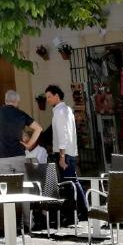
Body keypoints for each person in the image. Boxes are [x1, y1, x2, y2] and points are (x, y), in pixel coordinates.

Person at [45, 84, 87, 216]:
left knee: (70, 183)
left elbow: (63, 135)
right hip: (69, 152)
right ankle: (79, 212)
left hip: (65, 153)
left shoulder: (60, 112)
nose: (47, 100)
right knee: (71, 182)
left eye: (49, 97)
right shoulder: (66, 110)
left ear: (57, 96)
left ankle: (81, 211)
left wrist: (62, 157)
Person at [0, 90, 43, 174]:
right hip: (19, 157)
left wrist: (1, 136)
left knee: (5, 182)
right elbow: (38, 128)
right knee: (21, 182)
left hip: (2, 157)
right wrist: (29, 144)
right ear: (16, 101)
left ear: (5, 100)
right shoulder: (21, 114)